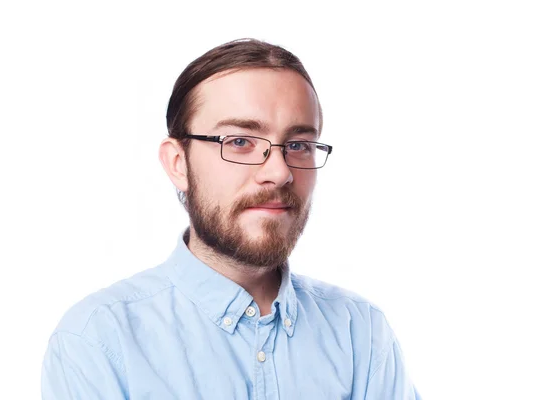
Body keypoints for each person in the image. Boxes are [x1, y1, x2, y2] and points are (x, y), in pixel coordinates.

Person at [41, 38, 421, 399]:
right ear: (178, 163)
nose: (279, 171)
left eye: (299, 145)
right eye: (239, 141)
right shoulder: (99, 339)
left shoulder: (361, 332)